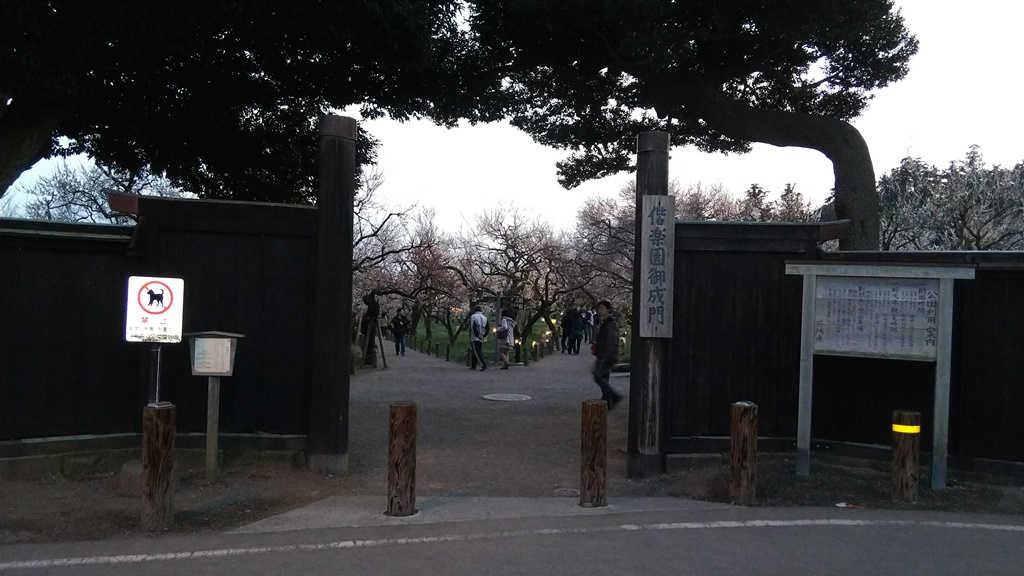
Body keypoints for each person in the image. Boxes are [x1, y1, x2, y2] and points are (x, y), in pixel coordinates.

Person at [592, 300, 623, 409]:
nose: (599, 310)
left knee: (598, 376)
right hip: (603, 354)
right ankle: (606, 401)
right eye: (599, 308)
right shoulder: (605, 322)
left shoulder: (610, 323)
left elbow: (611, 341)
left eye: (602, 308)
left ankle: (614, 396)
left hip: (606, 355)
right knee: (604, 377)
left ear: (608, 309)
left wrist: (606, 356)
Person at [469, 305, 489, 371]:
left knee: (476, 351)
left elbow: (473, 327)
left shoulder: (473, 317)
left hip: (475, 336)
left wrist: (477, 335)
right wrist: (483, 335)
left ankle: (483, 365)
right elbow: (487, 328)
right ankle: (473, 365)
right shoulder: (485, 318)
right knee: (477, 350)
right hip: (482, 336)